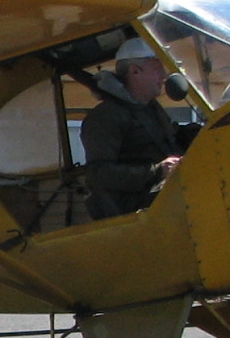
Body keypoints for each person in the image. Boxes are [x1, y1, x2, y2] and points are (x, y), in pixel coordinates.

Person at [80, 36, 198, 219]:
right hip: (139, 210)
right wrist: (156, 171)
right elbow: (98, 174)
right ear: (135, 71)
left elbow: (172, 135)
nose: (164, 76)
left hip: (166, 196)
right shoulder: (106, 116)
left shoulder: (150, 108)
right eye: (157, 69)